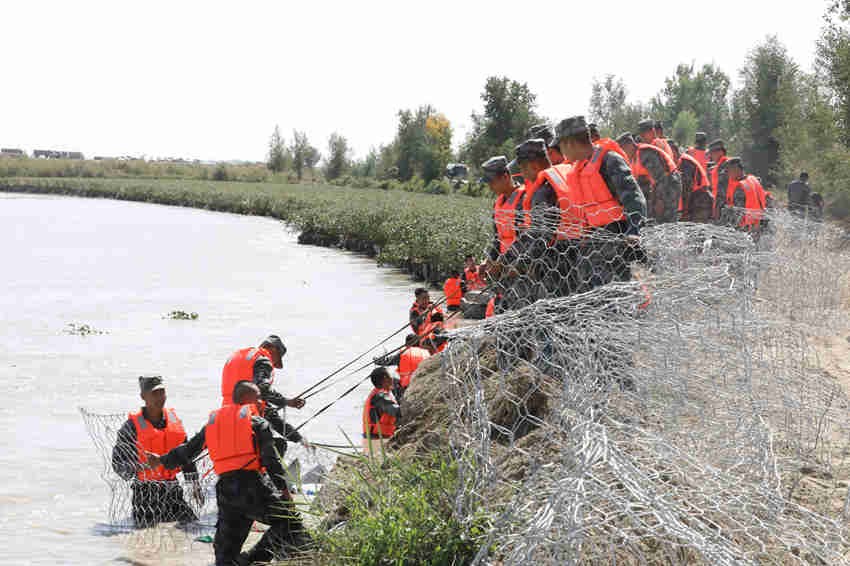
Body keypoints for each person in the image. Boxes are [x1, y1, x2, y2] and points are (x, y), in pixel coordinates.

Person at [146, 381, 310, 565]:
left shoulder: (213, 423)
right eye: (257, 398)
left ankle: (237, 560)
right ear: (247, 400)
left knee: (224, 556)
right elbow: (271, 461)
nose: (260, 402)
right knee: (288, 520)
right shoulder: (257, 422)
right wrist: (284, 491)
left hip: (225, 491)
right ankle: (251, 559)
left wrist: (160, 460)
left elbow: (188, 451)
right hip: (252, 486)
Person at [554, 116, 648, 288]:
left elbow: (634, 198)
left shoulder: (609, 160)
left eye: (560, 146)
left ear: (570, 143)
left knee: (616, 291)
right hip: (595, 242)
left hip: (618, 239)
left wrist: (634, 230)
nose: (561, 152)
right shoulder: (580, 167)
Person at [111, 375, 200, 527]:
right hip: (145, 494)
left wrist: (194, 483)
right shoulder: (131, 427)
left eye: (162, 392)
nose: (160, 397)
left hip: (173, 490)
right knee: (145, 538)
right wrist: (143, 467)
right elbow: (118, 465)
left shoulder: (174, 421)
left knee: (193, 527)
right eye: (154, 393)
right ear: (143, 396)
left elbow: (185, 454)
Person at [221, 335, 308, 457]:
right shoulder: (263, 360)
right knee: (278, 445)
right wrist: (287, 402)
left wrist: (296, 437)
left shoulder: (237, 356)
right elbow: (263, 389)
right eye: (277, 359)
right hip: (248, 416)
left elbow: (260, 399)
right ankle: (271, 475)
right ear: (273, 349)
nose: (274, 364)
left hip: (226, 414)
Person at [617, 132, 681, 224]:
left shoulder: (645, 153)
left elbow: (662, 178)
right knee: (655, 216)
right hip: (659, 186)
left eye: (623, 149)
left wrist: (660, 200)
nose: (623, 153)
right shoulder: (635, 157)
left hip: (669, 183)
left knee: (666, 217)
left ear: (629, 145)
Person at [362, 367, 401, 456]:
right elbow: (397, 412)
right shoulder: (380, 397)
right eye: (391, 376)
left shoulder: (378, 394)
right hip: (376, 442)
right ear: (385, 378)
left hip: (375, 439)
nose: (393, 379)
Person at [725, 157, 767, 232]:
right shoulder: (753, 179)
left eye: (728, 170)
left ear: (736, 169)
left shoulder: (740, 187)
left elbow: (738, 213)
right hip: (761, 223)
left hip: (747, 228)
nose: (727, 174)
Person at [677, 149, 713, 222]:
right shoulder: (684, 160)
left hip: (700, 199)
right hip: (698, 197)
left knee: (697, 228)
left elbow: (687, 188)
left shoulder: (685, 162)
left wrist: (685, 212)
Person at [708, 139, 731, 220]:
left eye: (712, 153)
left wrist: (716, 212)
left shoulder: (724, 166)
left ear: (720, 152)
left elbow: (721, 193)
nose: (710, 156)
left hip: (725, 209)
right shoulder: (722, 165)